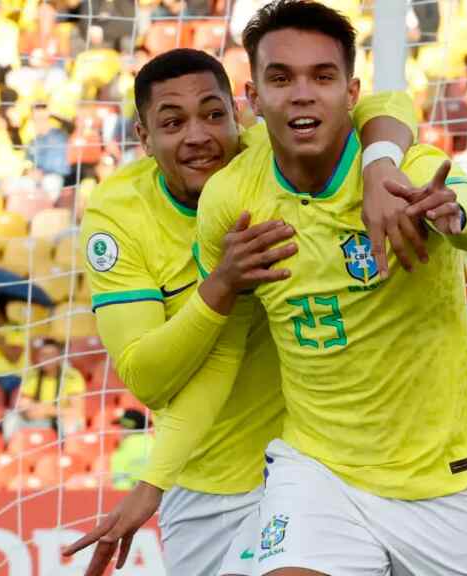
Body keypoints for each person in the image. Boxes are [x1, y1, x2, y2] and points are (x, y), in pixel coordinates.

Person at [152, 2, 467, 573]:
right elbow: (222, 340)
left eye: (322, 77)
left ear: (351, 93)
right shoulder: (229, 200)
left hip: (442, 476)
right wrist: (154, 478)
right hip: (319, 471)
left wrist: (451, 212)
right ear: (252, 98)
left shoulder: (403, 168)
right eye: (281, 78)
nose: (302, 94)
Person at [67, 45, 419, 575]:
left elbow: (385, 103)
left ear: (241, 113)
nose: (198, 136)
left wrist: (378, 165)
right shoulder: (118, 216)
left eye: (213, 114)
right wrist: (222, 285)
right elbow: (149, 378)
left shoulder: (275, 153)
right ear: (143, 138)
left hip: (321, 468)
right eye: (172, 122)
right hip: (204, 480)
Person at [2, 341, 87, 439]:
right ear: (38, 358)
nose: (48, 358)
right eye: (44, 355)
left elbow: (77, 411)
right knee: (11, 417)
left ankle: (68, 451)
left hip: (59, 418)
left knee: (72, 422)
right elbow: (23, 404)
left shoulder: (72, 376)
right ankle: (12, 448)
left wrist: (48, 410)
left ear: (60, 357)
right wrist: (32, 410)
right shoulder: (32, 375)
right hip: (38, 418)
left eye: (52, 355)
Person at [110, 409, 154, 491]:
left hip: (134, 496)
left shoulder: (122, 450)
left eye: (120, 427)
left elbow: (120, 485)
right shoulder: (155, 443)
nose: (118, 431)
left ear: (126, 428)